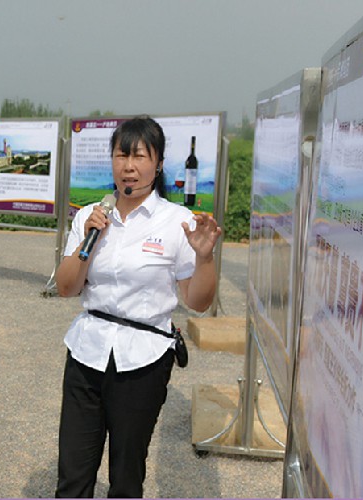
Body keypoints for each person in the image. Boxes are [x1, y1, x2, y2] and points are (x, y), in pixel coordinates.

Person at [53, 117, 222, 498]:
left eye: (140, 156)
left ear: (158, 163)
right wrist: (90, 242)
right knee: (73, 472)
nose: (129, 166)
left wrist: (205, 259)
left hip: (142, 361)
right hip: (87, 352)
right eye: (121, 155)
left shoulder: (177, 221)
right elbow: (66, 287)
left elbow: (198, 302)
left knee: (127, 474)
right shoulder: (90, 216)